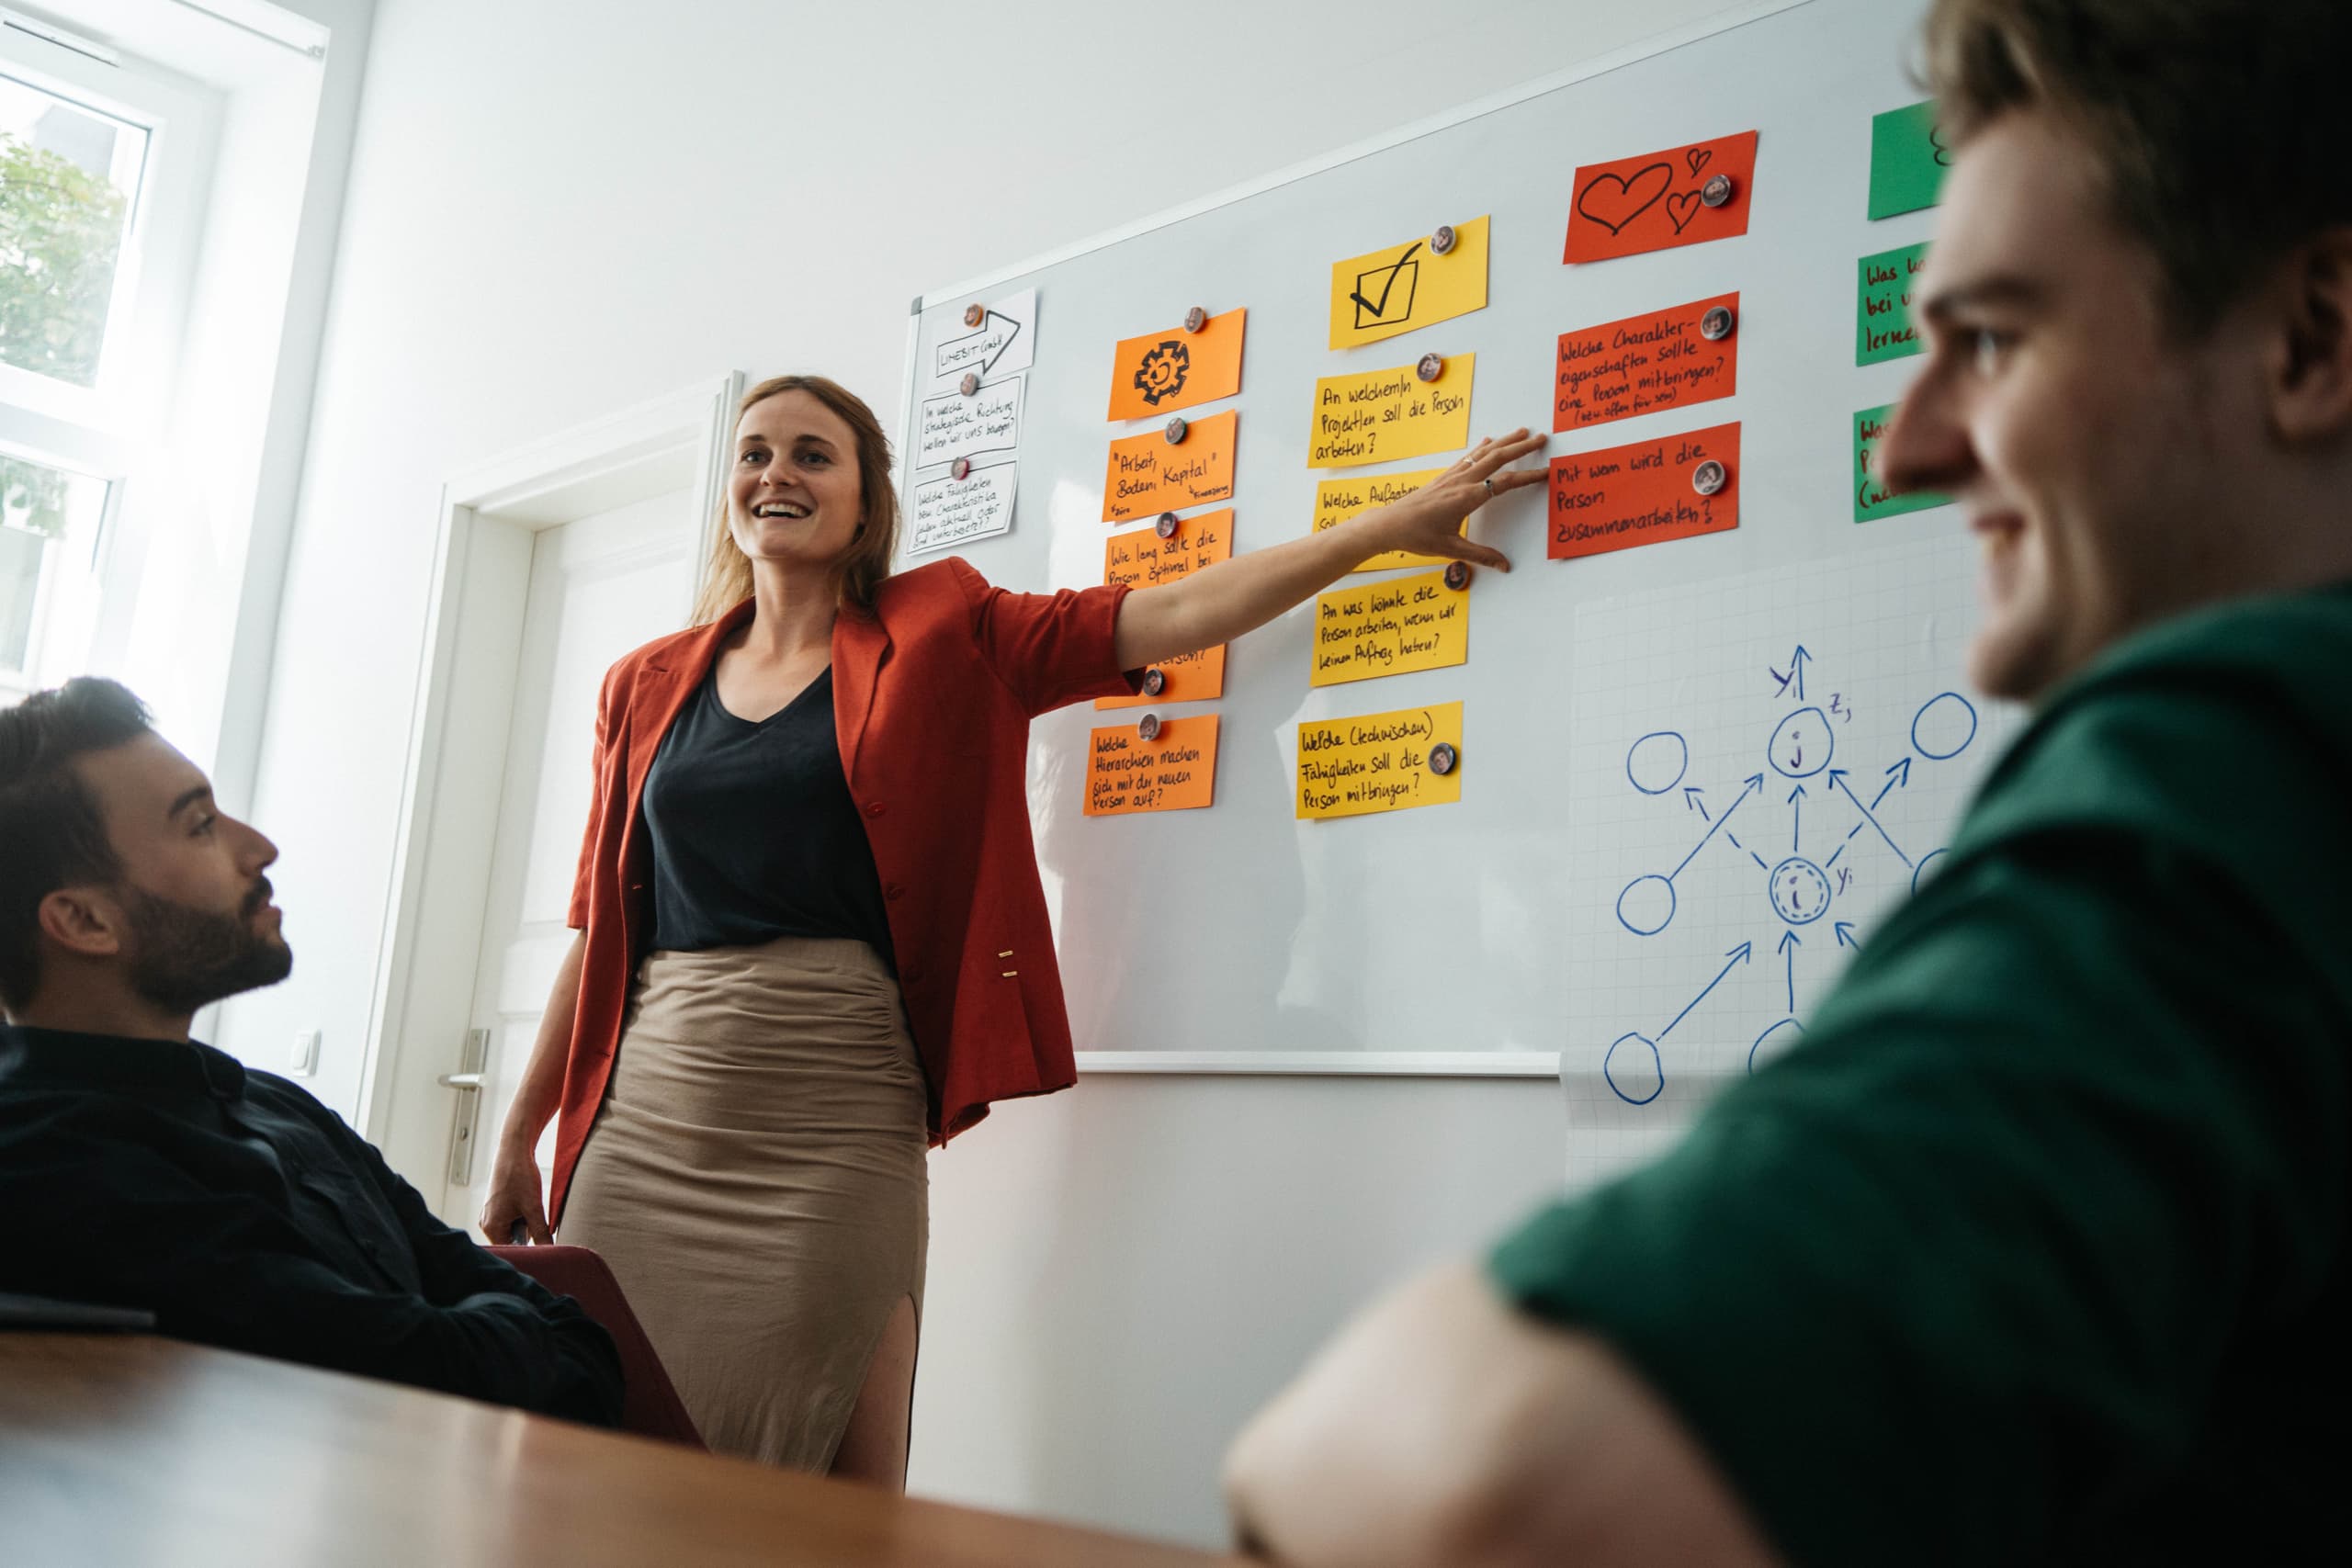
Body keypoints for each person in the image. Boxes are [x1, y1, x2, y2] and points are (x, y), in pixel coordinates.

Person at [1223, 2, 2352, 1563]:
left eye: (1998, 339)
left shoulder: (2255, 751)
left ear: (2313, 338)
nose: (1910, 447)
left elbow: (1491, 1487)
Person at [479, 372, 1547, 1483]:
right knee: (603, 1454)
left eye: (812, 453)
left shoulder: (949, 630)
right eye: (754, 453)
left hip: (834, 1112)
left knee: (822, 1484)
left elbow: (1169, 612)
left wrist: (1383, 527)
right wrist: (520, 1135)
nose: (775, 473)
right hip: (647, 1120)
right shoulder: (642, 684)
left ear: (863, 504)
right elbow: (599, 930)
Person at [0, 678, 624, 1427]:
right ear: (83, 919)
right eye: (199, 825)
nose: (260, 846)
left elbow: (582, 1346)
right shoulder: (50, 1159)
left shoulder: (276, 1101)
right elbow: (413, 1377)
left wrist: (489, 1331)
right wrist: (502, 1333)